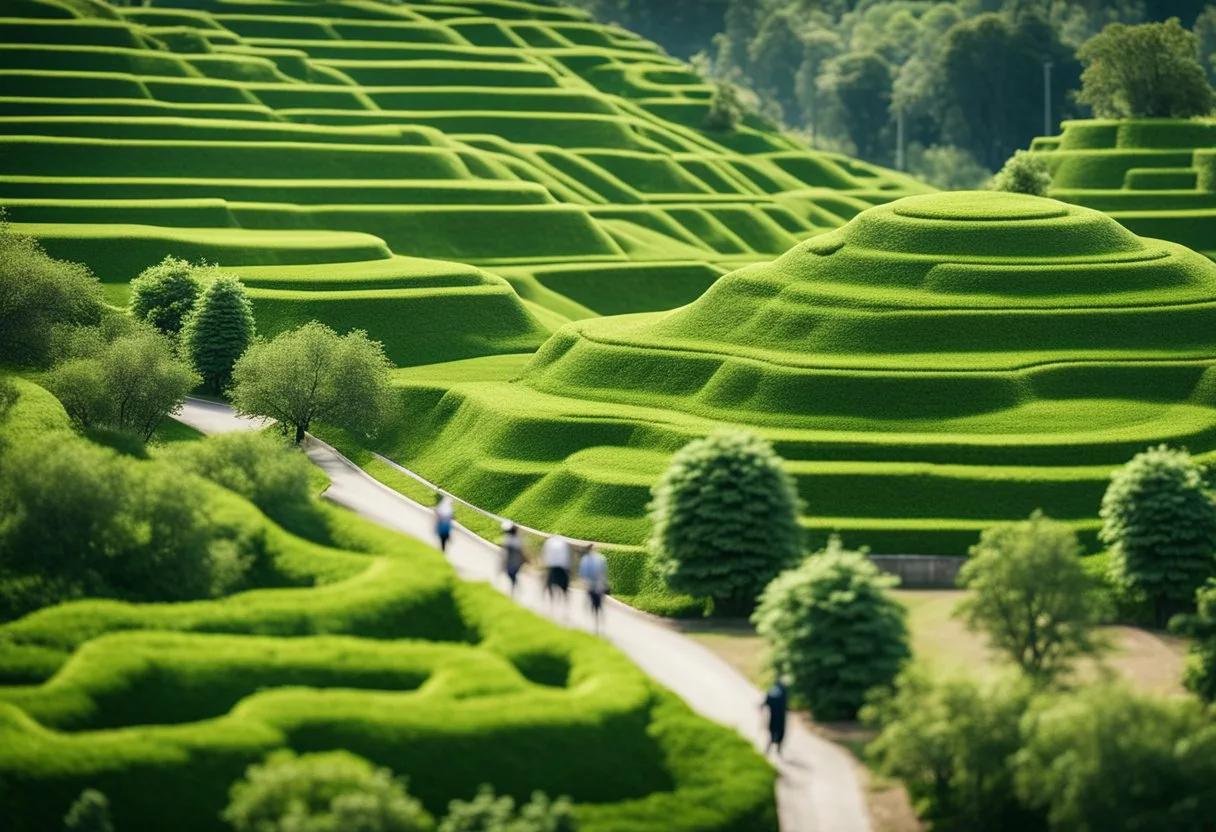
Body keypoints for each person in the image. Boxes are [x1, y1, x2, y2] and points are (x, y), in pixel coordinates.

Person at [578, 544, 610, 633]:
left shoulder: (586, 559)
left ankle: (596, 621)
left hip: (594, 585)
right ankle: (597, 621)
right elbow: (604, 572)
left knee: (594, 603)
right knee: (596, 603)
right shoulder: (599, 558)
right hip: (596, 585)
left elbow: (583, 573)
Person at [541, 534, 571, 608]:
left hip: (552, 567)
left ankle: (550, 600)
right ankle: (565, 601)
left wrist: (544, 564)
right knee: (564, 586)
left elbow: (545, 555)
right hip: (561, 567)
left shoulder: (549, 542)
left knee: (548, 584)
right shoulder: (563, 543)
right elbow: (567, 557)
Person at [761, 677, 789, 757]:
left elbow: (767, 702)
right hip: (780, 717)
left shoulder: (772, 690)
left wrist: (762, 706)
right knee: (779, 734)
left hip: (773, 717)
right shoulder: (784, 691)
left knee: (772, 733)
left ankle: (769, 751)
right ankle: (777, 751)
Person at [501, 521, 525, 596]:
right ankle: (515, 589)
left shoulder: (511, 539)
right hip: (515, 561)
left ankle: (514, 590)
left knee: (511, 574)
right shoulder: (513, 539)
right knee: (512, 575)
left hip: (514, 562)